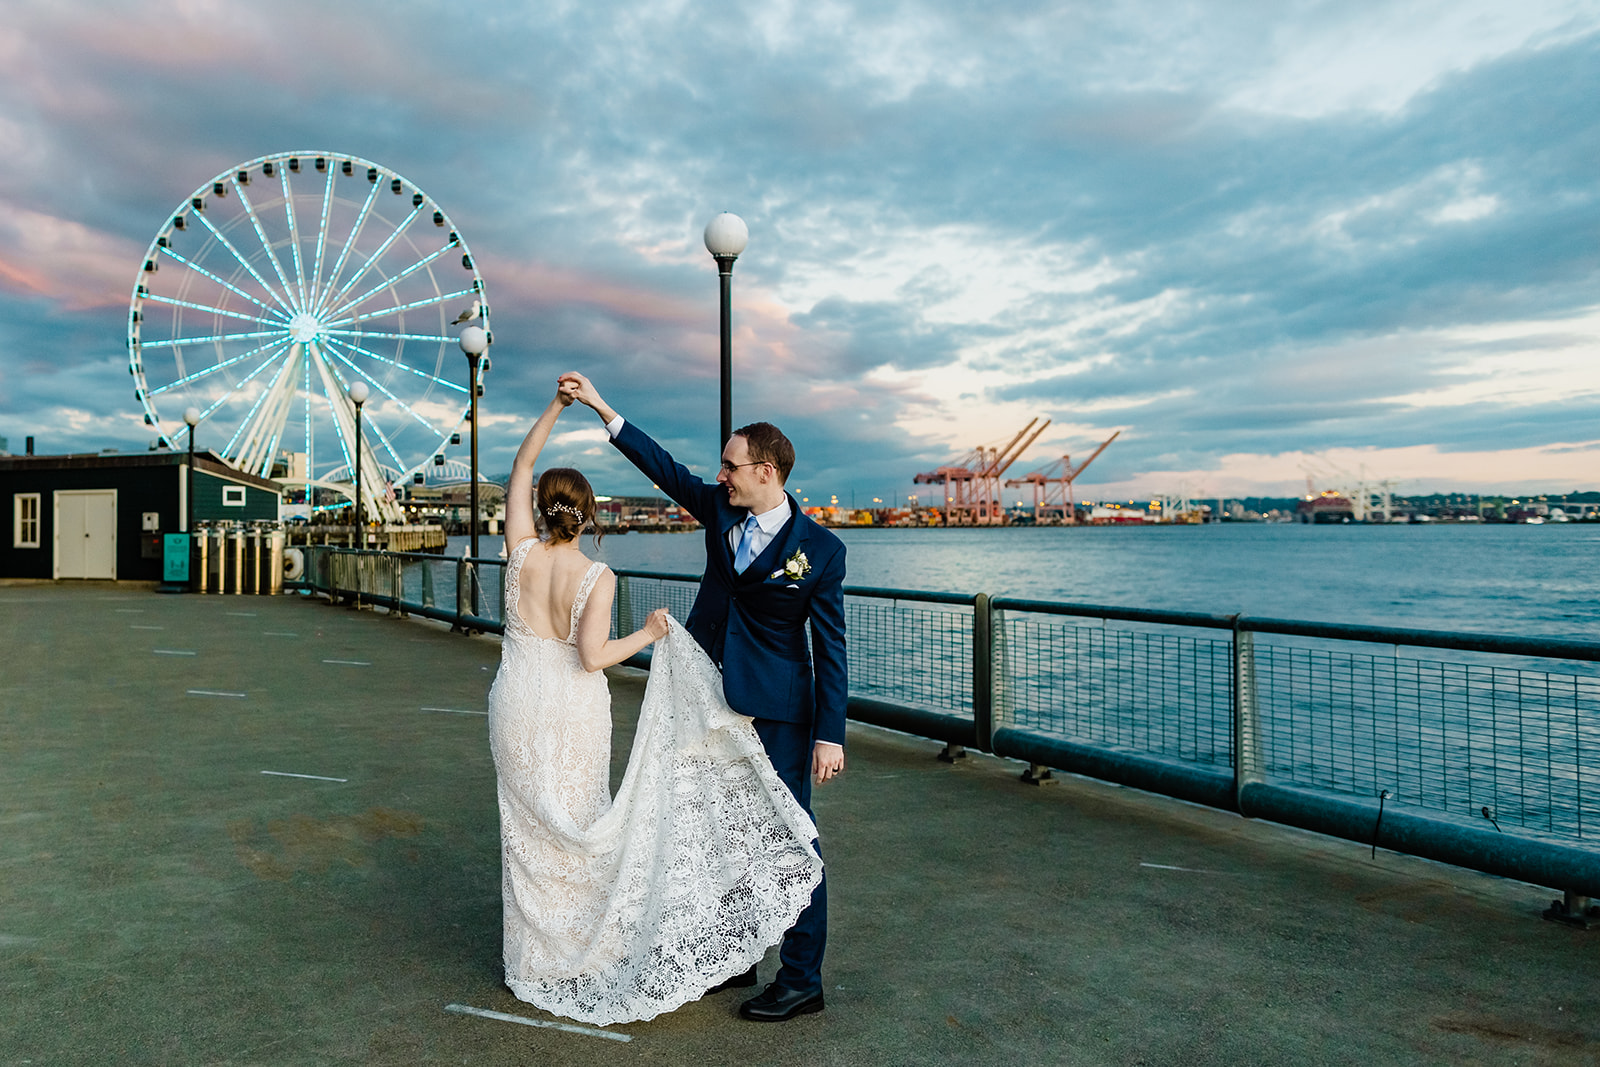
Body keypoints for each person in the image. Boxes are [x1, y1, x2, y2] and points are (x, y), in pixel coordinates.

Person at [487, 384, 823, 1026]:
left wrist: (560, 409)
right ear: (586, 519)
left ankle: (536, 956)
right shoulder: (610, 568)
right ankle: (644, 952)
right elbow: (592, 654)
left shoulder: (520, 554)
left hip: (523, 703)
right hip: (637, 702)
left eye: (731, 465)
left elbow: (521, 466)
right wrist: (651, 633)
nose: (721, 475)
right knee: (622, 824)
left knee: (528, 829)